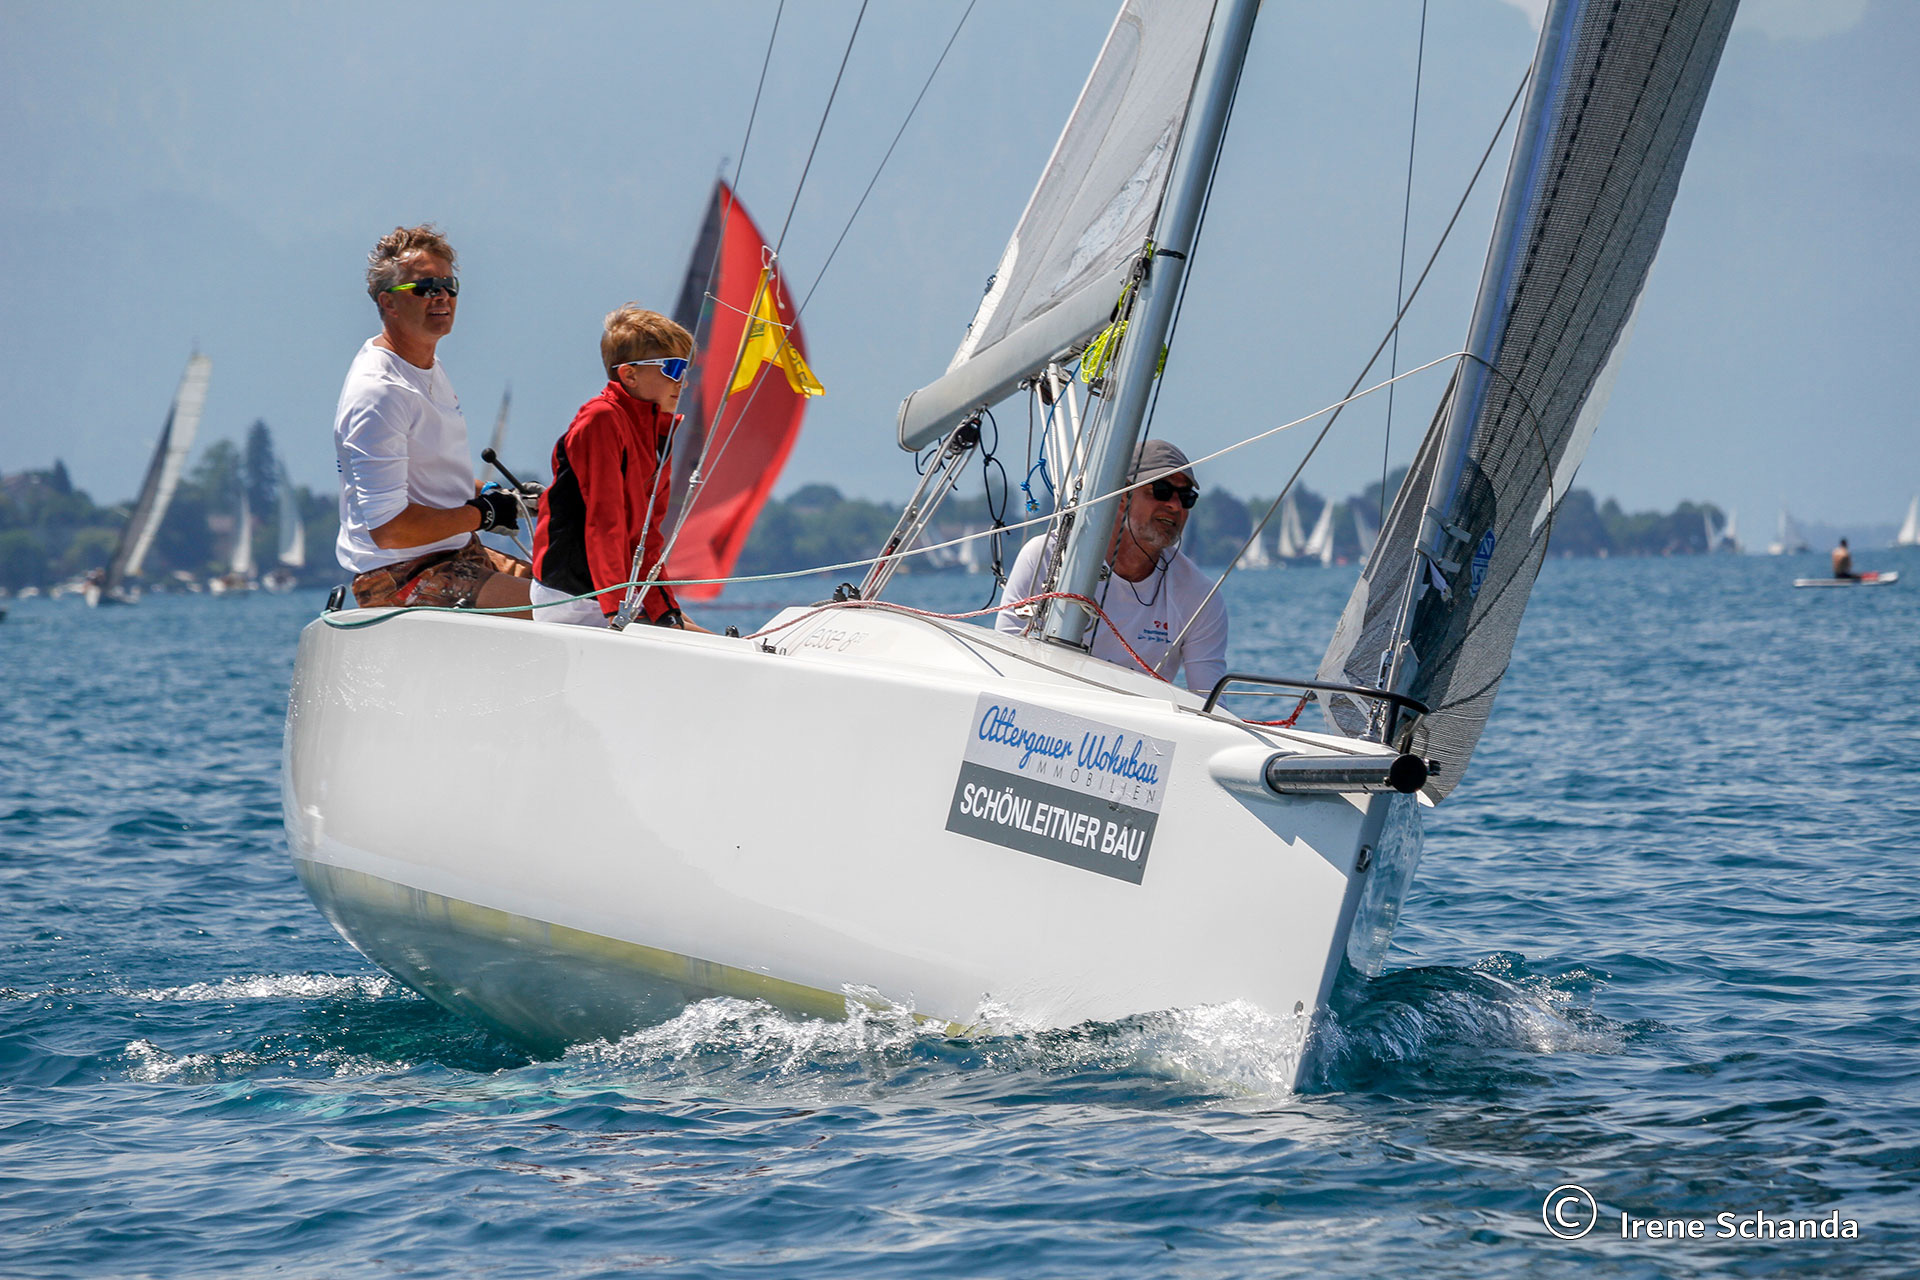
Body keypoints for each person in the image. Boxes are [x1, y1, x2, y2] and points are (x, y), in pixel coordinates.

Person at [333, 224, 532, 612]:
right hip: (401, 576)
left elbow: (431, 478)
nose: (441, 296)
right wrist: (483, 515)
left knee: (598, 596)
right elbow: (390, 529)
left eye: (448, 286)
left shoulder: (425, 366)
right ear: (389, 302)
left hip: (456, 554)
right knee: (572, 611)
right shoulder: (380, 392)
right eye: (425, 287)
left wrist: (507, 497)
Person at [995, 438, 1227, 693]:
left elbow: (1209, 701)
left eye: (1186, 497)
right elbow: (1006, 662)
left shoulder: (1199, 596)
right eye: (1161, 490)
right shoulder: (1046, 558)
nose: (1175, 505)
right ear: (1123, 495)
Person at [528, 306, 697, 629]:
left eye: (686, 369)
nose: (683, 381)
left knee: (694, 634)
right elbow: (604, 521)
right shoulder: (601, 419)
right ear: (629, 375)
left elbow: (646, 537)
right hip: (573, 596)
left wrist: (665, 610)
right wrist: (615, 610)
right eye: (673, 368)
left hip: (613, 593)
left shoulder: (658, 432)